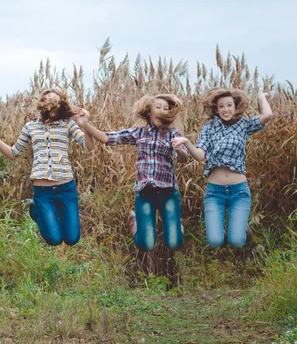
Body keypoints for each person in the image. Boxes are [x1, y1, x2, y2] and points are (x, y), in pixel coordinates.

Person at [0, 88, 94, 246]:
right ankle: (35, 209)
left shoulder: (68, 124)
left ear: (62, 104)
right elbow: (14, 153)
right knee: (54, 240)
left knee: (72, 239)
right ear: (42, 104)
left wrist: (85, 125)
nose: (52, 105)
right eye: (48, 100)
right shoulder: (30, 126)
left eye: (56, 101)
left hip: (66, 189)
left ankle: (45, 213)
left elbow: (89, 146)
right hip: (43, 192)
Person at [81, 94, 188, 251]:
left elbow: (183, 159)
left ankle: (176, 225)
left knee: (174, 243)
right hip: (146, 193)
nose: (162, 111)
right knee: (146, 245)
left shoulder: (174, 134)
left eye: (166, 108)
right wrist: (85, 124)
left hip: (168, 192)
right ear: (148, 111)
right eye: (158, 107)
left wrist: (179, 150)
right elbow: (106, 138)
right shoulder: (139, 132)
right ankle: (134, 221)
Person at [172, 89, 273, 248]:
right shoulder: (209, 128)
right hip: (214, 193)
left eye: (229, 105)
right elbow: (199, 155)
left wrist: (261, 98)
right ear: (216, 109)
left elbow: (267, 116)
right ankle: (231, 230)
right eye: (221, 106)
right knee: (214, 242)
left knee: (236, 242)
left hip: (238, 191)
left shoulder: (243, 125)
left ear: (235, 106)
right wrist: (186, 142)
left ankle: (241, 232)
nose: (226, 109)